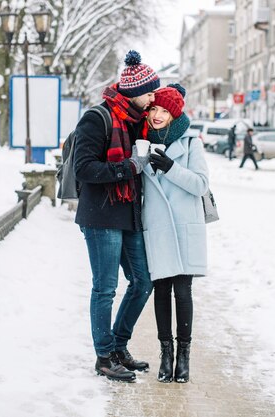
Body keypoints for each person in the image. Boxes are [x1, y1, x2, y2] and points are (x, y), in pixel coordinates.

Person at [73, 50, 159, 383]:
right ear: (133, 91)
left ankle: (119, 347)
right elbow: (84, 168)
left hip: (129, 214)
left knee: (142, 282)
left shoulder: (139, 122)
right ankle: (104, 356)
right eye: (149, 91)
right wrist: (128, 167)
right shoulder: (98, 118)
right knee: (105, 288)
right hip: (101, 216)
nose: (152, 97)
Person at [141, 84, 209, 383]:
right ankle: (165, 354)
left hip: (183, 226)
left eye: (164, 111)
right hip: (156, 225)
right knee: (161, 291)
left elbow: (200, 185)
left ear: (174, 114)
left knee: (182, 292)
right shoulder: (140, 141)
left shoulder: (192, 143)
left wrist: (170, 168)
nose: (157, 115)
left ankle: (183, 356)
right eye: (154, 109)